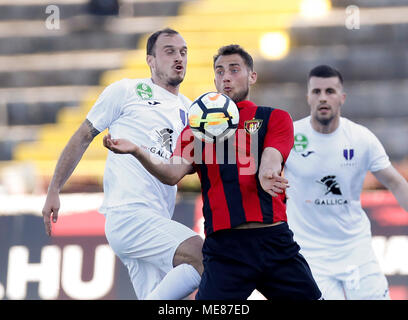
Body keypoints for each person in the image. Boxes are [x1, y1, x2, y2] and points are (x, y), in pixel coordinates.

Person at [103, 44, 322, 300]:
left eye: (234, 69)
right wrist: (138, 151)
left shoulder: (274, 117)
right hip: (225, 251)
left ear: (252, 76)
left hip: (274, 242)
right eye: (219, 71)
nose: (226, 76)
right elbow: (172, 173)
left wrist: (267, 173)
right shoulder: (196, 128)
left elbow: (273, 158)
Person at [42, 28, 203, 300]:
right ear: (150, 60)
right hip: (128, 214)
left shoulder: (192, 111)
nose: (179, 57)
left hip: (159, 217)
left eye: (183, 52)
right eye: (169, 51)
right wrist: (54, 189)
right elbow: (83, 136)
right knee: (201, 255)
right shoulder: (126, 90)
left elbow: (185, 168)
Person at [284, 64, 408, 300]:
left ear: (342, 97)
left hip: (355, 249)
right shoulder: (289, 135)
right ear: (308, 96)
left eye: (330, 91)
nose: (323, 98)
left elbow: (395, 182)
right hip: (309, 254)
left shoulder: (361, 138)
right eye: (316, 91)